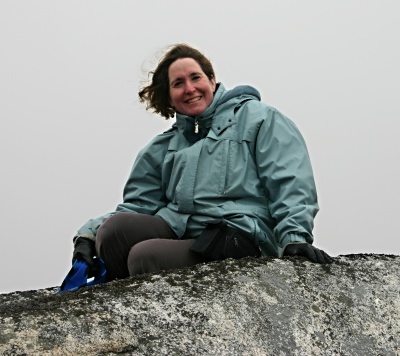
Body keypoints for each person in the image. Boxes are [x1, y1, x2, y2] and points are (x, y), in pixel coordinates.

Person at [72, 43, 333, 283]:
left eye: (195, 77)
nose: (189, 88)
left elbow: (289, 181)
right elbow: (138, 206)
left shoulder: (259, 119)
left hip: (238, 237)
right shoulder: (161, 148)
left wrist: (294, 238)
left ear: (212, 80)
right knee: (113, 232)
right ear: (169, 96)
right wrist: (88, 236)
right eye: (178, 83)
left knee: (144, 256)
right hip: (183, 232)